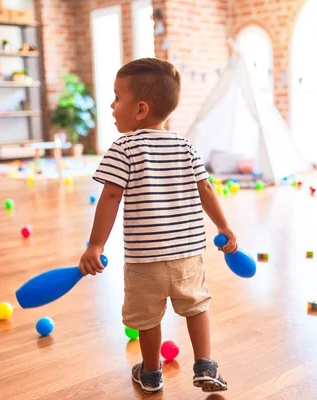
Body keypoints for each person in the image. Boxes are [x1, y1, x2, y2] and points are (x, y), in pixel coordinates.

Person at [78, 57, 237, 393]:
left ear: (140, 110)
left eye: (117, 97)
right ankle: (205, 364)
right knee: (196, 307)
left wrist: (95, 245)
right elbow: (205, 189)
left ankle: (151, 373)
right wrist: (225, 227)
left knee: (148, 318)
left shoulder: (123, 148)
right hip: (188, 254)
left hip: (144, 259)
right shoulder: (185, 145)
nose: (111, 104)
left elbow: (109, 198)